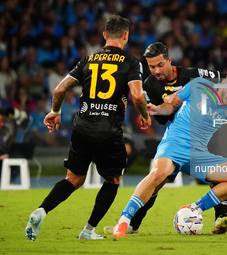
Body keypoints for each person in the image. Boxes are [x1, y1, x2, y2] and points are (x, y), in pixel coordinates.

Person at [25, 15, 151, 241]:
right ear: (125, 36)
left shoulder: (87, 60)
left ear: (104, 35)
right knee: (112, 180)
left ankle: (41, 211)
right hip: (109, 131)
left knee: (73, 178)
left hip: (82, 128)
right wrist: (144, 116)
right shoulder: (132, 62)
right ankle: (88, 230)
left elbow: (59, 90)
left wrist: (54, 112)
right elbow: (138, 95)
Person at [104, 42, 227, 235]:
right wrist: (154, 111)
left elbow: (224, 83)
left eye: (159, 65)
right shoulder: (150, 86)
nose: (156, 70)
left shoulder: (194, 74)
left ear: (169, 60)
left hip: (208, 134)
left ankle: (220, 219)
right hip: (179, 137)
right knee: (157, 181)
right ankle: (133, 224)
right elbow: (164, 117)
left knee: (219, 177)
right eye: (151, 66)